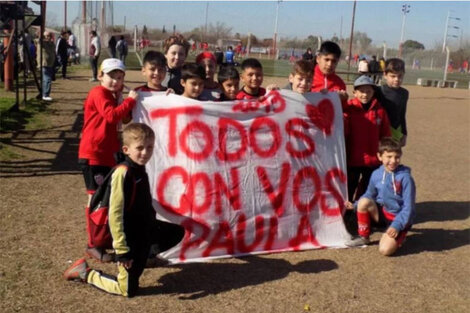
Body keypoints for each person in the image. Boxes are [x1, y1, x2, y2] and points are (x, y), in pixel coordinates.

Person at [65, 123, 185, 297]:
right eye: (140, 148)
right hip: (129, 238)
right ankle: (84, 272)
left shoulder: (140, 169)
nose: (145, 153)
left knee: (175, 232)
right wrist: (122, 251)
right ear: (126, 149)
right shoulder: (123, 172)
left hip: (144, 230)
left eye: (150, 147)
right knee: (127, 290)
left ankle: (144, 257)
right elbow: (115, 215)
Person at [78, 58, 138, 262]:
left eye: (120, 77)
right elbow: (112, 116)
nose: (115, 80)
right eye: (111, 76)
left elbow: (124, 119)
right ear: (100, 76)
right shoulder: (98, 93)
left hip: (107, 154)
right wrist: (130, 100)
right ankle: (92, 243)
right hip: (93, 154)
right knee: (95, 198)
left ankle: (102, 238)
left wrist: (125, 101)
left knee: (106, 198)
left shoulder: (113, 95)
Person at [345, 137, 416, 256]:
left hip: (398, 218)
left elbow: (409, 207)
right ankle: (364, 237)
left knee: (384, 250)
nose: (393, 161)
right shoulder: (376, 174)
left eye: (397, 157)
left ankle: (398, 233)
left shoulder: (406, 178)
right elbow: (369, 194)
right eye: (389, 157)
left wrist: (397, 226)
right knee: (363, 202)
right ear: (379, 156)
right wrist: (355, 205)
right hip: (382, 215)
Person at [344, 75, 391, 202]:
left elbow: (385, 134)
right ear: (354, 92)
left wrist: (385, 153)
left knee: (367, 189)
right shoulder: (348, 109)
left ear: (373, 92)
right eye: (361, 91)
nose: (365, 94)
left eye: (368, 91)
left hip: (373, 161)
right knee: (349, 187)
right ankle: (347, 213)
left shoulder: (380, 111)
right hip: (352, 159)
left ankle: (360, 212)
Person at [375, 58, 409, 146]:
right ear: (385, 75)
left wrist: (404, 133)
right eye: (393, 76)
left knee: (393, 158)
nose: (397, 79)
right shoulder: (378, 91)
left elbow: (402, 114)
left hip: (396, 131)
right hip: (380, 131)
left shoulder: (404, 93)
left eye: (400, 76)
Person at [311, 41, 348, 105]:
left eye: (334, 61)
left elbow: (341, 111)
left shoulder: (340, 83)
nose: (329, 64)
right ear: (318, 59)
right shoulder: (306, 79)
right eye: (326, 59)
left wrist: (344, 100)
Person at [37, 31, 56, 101]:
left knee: (45, 80)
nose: (48, 37)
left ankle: (43, 94)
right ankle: (45, 94)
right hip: (44, 64)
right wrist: (40, 35)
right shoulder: (42, 43)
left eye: (49, 36)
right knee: (47, 79)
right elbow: (39, 40)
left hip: (50, 64)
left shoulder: (51, 44)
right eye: (46, 36)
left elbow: (53, 51)